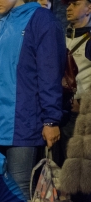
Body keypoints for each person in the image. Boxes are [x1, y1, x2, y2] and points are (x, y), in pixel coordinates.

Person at [0, 0, 66, 199]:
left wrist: (51, 119)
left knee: (18, 189)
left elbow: (50, 72)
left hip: (22, 124)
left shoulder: (40, 19)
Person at [58, 0, 91, 164]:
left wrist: (85, 104)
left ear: (89, 8)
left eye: (75, 4)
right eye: (68, 4)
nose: (69, 8)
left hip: (81, 114)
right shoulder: (60, 37)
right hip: (58, 110)